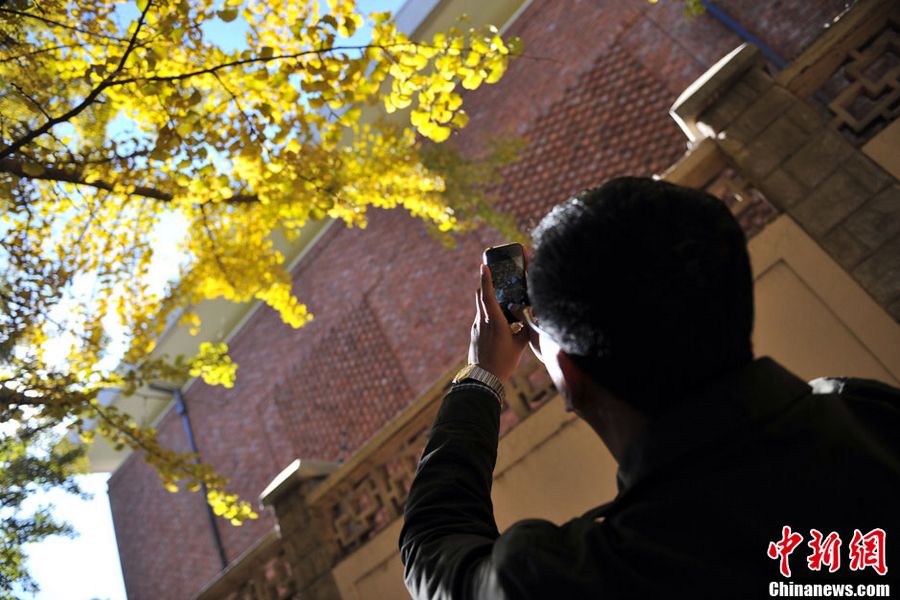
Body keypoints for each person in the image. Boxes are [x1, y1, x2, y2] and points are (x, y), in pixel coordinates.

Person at [399, 177, 900, 599]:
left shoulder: (600, 573)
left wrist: (481, 377)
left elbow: (437, 548)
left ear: (570, 379)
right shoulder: (873, 414)